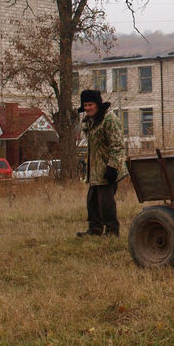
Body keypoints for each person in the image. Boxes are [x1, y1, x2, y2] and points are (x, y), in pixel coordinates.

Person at [76, 89, 128, 237]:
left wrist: (112, 167)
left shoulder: (109, 119)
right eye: (85, 105)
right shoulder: (89, 121)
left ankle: (112, 231)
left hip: (109, 169)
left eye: (90, 104)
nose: (87, 108)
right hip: (94, 171)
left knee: (106, 203)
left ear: (98, 104)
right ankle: (95, 230)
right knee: (92, 202)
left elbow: (117, 146)